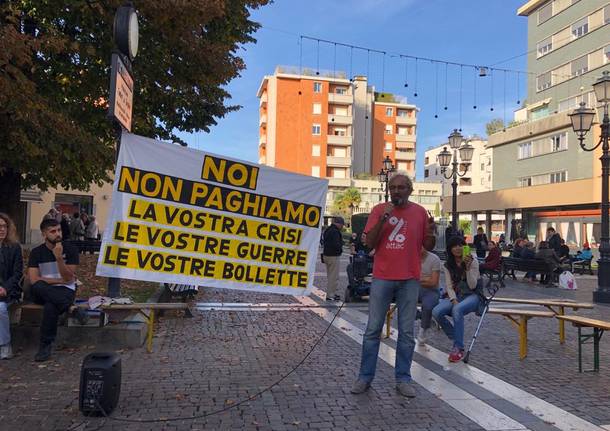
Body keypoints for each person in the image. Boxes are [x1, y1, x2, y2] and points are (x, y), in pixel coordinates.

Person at [351, 173, 435, 397]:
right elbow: (369, 243)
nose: (396, 191)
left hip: (409, 279)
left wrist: (432, 230)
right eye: (393, 187)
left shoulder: (419, 212)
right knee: (372, 329)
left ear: (410, 189)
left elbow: (429, 244)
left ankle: (403, 379)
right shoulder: (380, 210)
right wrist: (383, 219)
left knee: (406, 332)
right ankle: (365, 377)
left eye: (401, 187)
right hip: (382, 277)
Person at [28, 218, 87, 361]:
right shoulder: (36, 252)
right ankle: (71, 308)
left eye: (59, 230)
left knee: (50, 306)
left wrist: (59, 258)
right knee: (39, 286)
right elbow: (34, 279)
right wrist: (58, 280)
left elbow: (68, 279)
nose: (57, 234)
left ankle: (45, 346)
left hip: (64, 290)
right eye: (53, 231)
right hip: (42, 290)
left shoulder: (71, 249)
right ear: (44, 234)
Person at [432, 236, 482, 363]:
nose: (458, 248)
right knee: (437, 311)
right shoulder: (448, 265)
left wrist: (468, 268)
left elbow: (473, 285)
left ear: (465, 247)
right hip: (458, 295)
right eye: (454, 246)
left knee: (457, 309)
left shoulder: (473, 262)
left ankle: (458, 348)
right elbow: (449, 286)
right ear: (450, 249)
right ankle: (456, 338)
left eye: (461, 245)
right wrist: (453, 299)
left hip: (474, 296)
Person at [0, 213, 23, 359]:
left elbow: (17, 274)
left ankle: (5, 345)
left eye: (4, 226)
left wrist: (5, 288)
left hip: (8, 292)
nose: (2, 229)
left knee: (0, 308)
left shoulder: (14, 248)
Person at [417, 247, 441, 345]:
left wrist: (417, 278)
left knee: (428, 306)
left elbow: (433, 282)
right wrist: (425, 278)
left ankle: (423, 330)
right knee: (403, 302)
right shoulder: (410, 257)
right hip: (413, 288)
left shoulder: (434, 259)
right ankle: (425, 318)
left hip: (431, 290)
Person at [322, 216, 344, 301]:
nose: (342, 227)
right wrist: (340, 248)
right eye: (342, 225)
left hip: (326, 255)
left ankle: (331, 293)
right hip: (333, 256)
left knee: (330, 275)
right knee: (333, 277)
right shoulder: (335, 231)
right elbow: (336, 244)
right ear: (338, 223)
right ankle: (331, 295)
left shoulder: (328, 230)